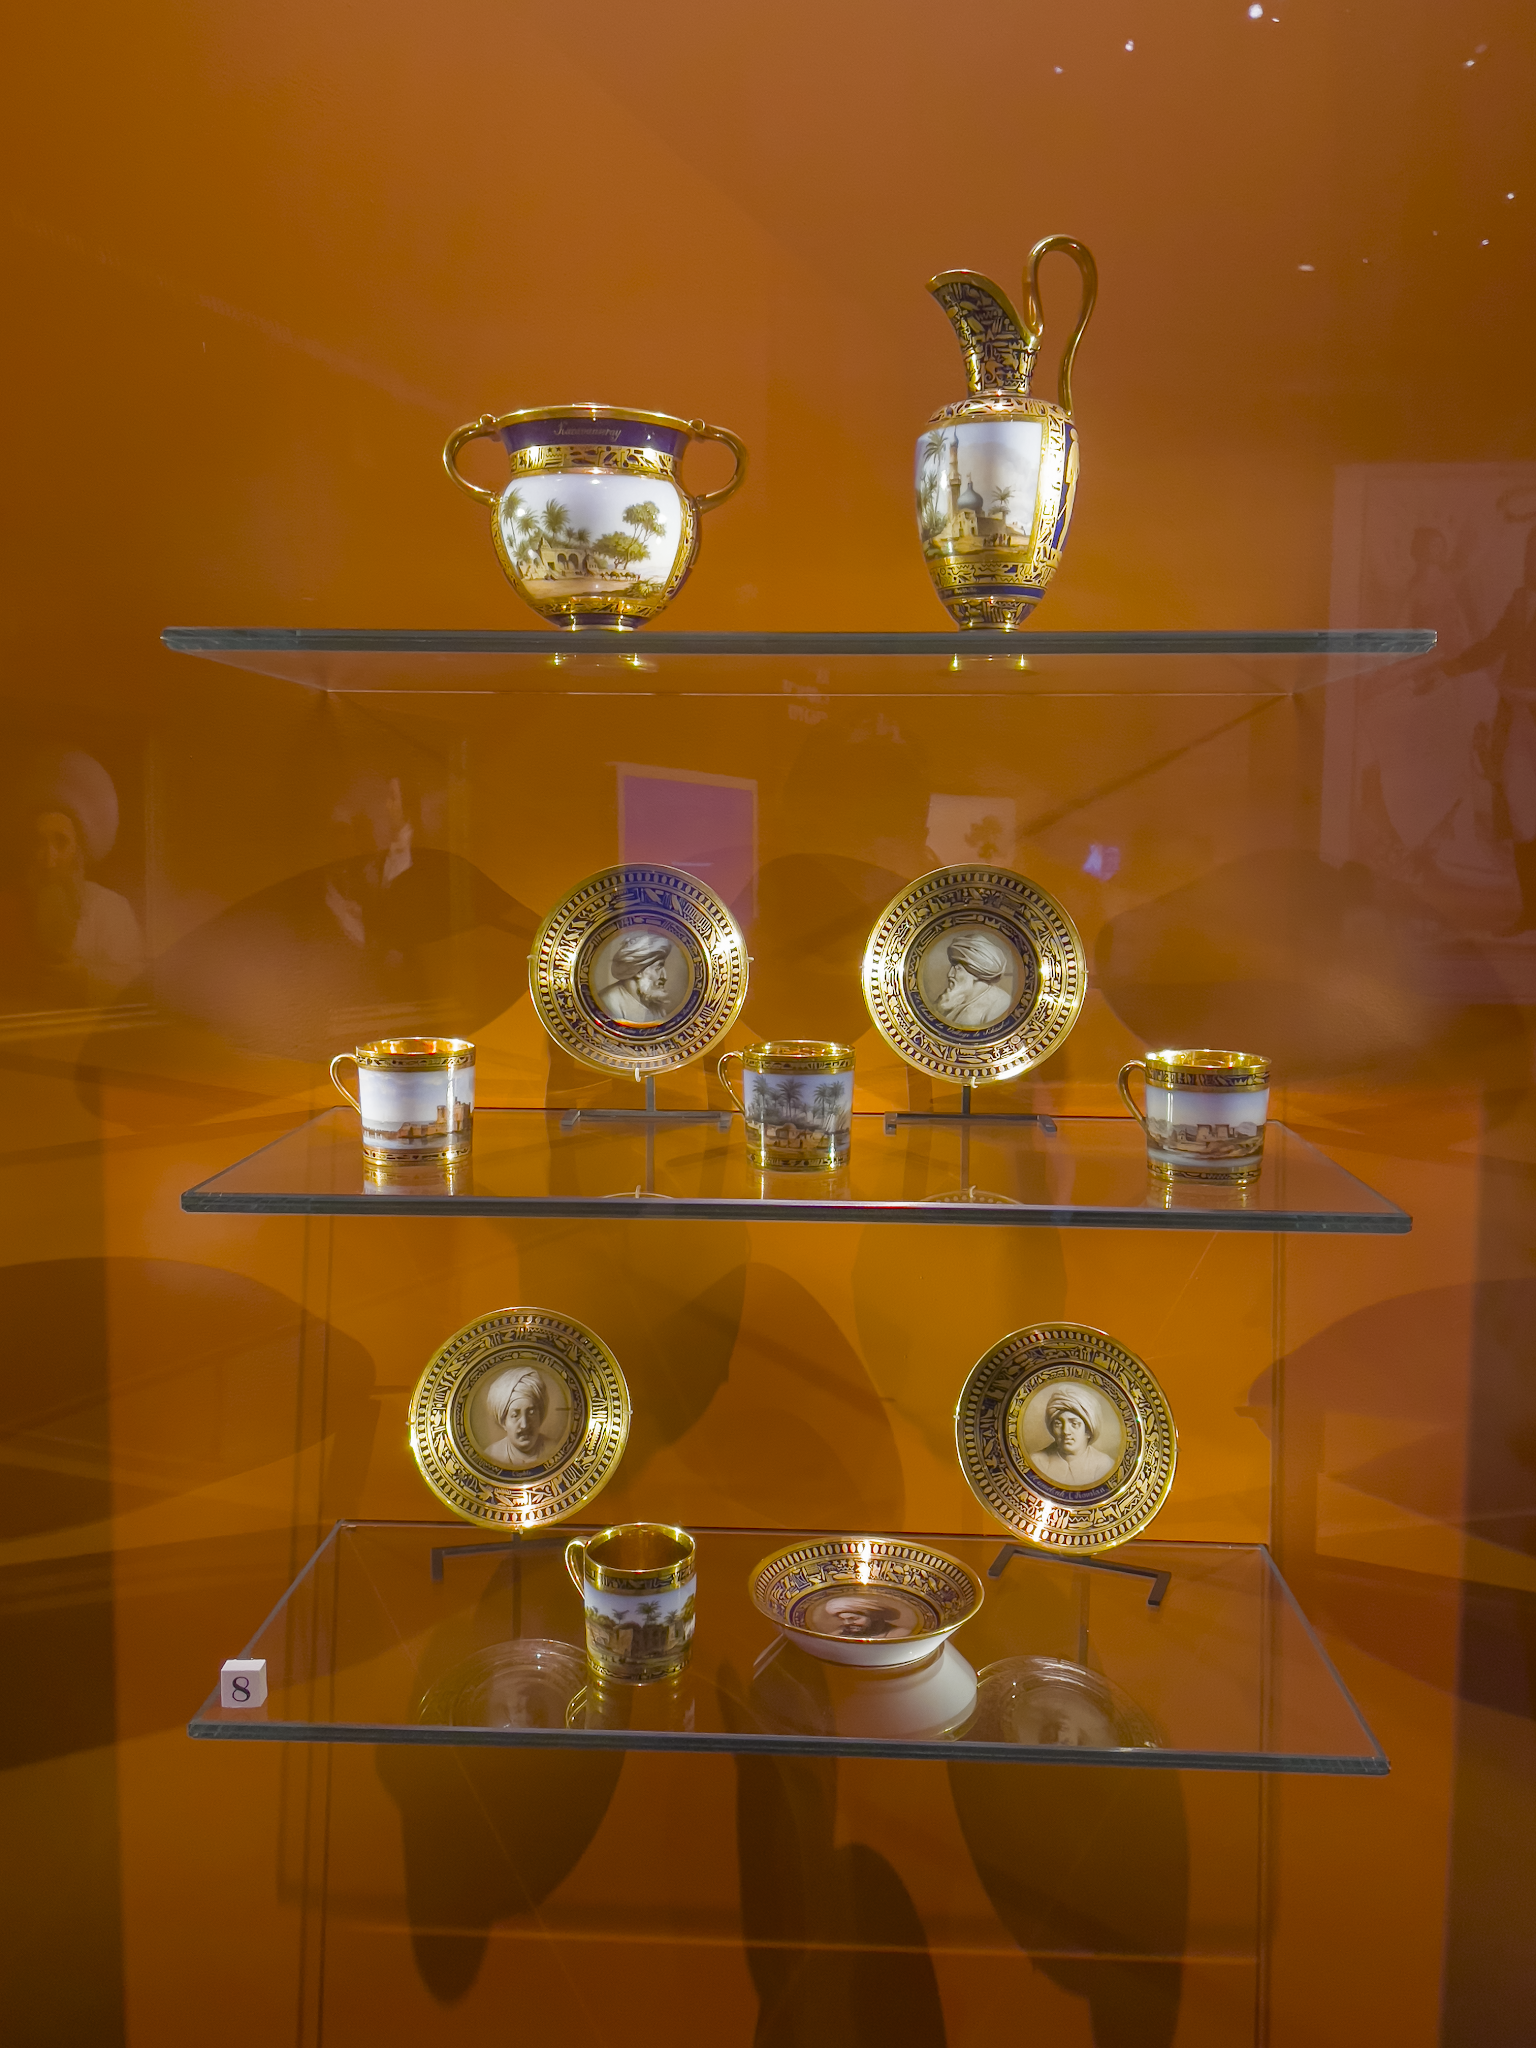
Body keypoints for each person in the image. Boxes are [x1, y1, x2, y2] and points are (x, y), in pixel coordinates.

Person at [0, 751, 145, 1007]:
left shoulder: (111, 909)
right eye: (39, 843)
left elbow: (135, 984)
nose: (49, 859)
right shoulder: (10, 907)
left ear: (79, 852)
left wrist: (83, 978)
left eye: (61, 842)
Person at [1031, 1387, 1115, 1487]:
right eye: (1058, 1424)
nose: (1065, 1431)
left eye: (1074, 1424)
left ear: (1088, 1431)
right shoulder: (1037, 1461)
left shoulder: (1104, 1465)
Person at [933, 930, 1013, 1030]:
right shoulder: (952, 999)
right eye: (951, 967)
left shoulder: (1001, 1004)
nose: (950, 974)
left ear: (975, 973)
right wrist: (939, 1009)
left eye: (957, 969)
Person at [482, 1367, 558, 1467]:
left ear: (540, 1416)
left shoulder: (555, 1450)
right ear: (503, 1422)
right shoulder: (491, 1455)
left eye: (531, 1413)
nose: (524, 1425)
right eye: (515, 1416)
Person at [595, 929, 675, 1022]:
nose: (664, 976)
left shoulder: (654, 1005)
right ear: (638, 971)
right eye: (658, 967)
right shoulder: (609, 1001)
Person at [817, 1594, 909, 1639]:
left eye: (854, 1619)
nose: (847, 1623)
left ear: (875, 1616)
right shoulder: (837, 1635)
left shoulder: (902, 1634)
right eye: (843, 1619)